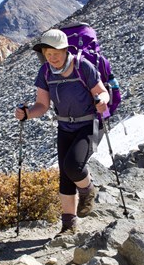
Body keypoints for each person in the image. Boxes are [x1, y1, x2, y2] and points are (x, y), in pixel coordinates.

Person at [14, 28, 110, 237]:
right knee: (65, 177)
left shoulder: (83, 67)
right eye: (47, 54)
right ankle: (68, 227)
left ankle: (88, 190)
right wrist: (27, 114)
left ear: (66, 49)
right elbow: (42, 104)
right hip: (65, 126)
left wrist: (102, 101)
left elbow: (101, 92)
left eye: (56, 53)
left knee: (73, 166)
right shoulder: (46, 72)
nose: (52, 58)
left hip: (90, 124)